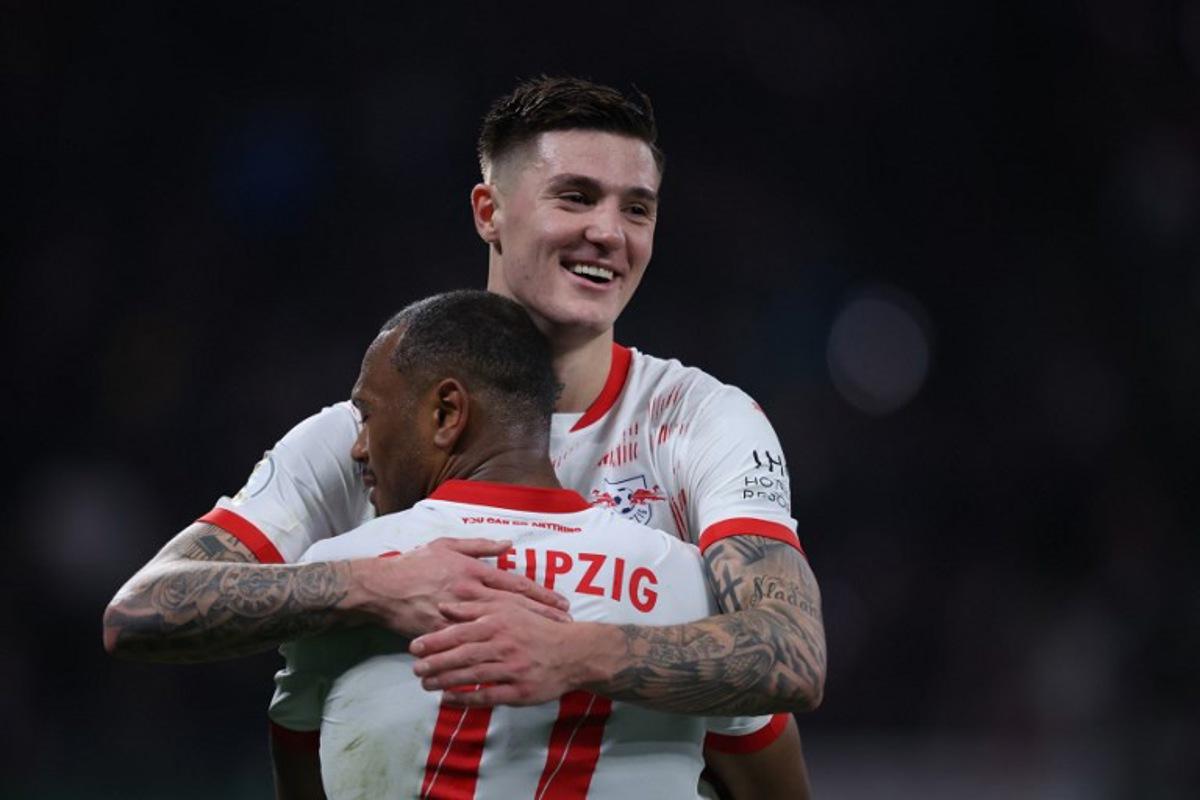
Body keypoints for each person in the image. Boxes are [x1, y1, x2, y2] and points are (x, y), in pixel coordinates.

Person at [103, 75, 824, 789]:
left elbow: (792, 651)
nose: (608, 232)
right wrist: (367, 586)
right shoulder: (367, 433)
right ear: (490, 210)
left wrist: (570, 653)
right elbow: (142, 611)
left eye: (637, 209)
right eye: (575, 196)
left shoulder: (700, 420)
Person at [269, 290, 807, 799]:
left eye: (367, 416)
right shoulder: (689, 588)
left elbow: (303, 769)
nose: (358, 448)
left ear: (446, 414)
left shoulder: (338, 573)